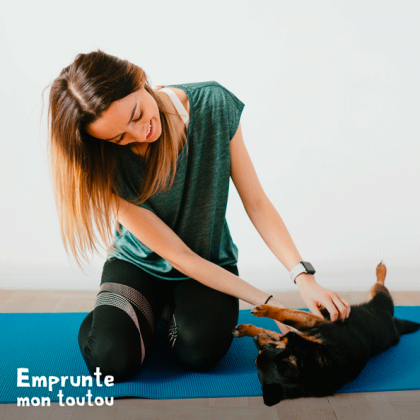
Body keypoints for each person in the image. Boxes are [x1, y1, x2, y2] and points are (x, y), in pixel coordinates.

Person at [45, 49, 351, 382]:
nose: (138, 133)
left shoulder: (214, 106)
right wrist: (273, 306)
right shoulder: (100, 161)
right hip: (139, 266)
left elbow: (257, 202)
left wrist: (303, 278)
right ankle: (119, 314)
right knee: (109, 362)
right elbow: (178, 255)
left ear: (138, 76)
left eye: (136, 114)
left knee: (198, 352)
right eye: (119, 137)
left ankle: (147, 316)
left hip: (208, 265)